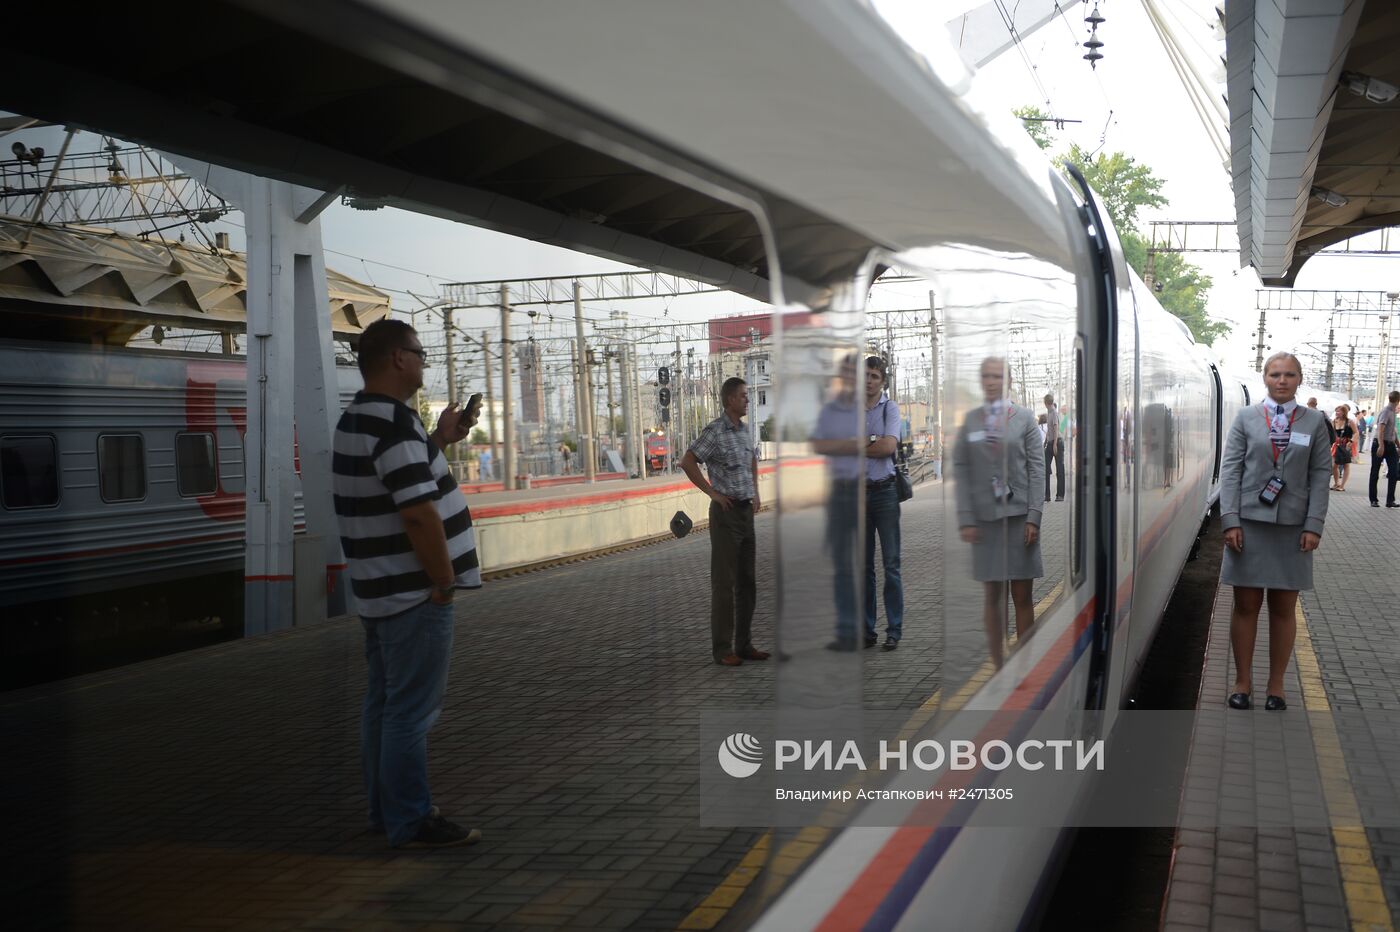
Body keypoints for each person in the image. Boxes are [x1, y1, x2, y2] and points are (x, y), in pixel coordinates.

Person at [333, 318, 483, 848]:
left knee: (383, 707)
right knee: (409, 715)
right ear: (398, 358)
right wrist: (442, 582)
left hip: (379, 593)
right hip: (412, 594)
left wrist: (440, 437)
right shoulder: (393, 423)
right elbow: (418, 513)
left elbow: (401, 478)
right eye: (419, 353)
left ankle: (386, 812)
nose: (423, 362)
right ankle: (411, 820)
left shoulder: (361, 418)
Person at [1219, 352, 1331, 712]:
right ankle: (1242, 682)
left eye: (1289, 375)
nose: (1282, 380)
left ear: (1299, 379)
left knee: (1284, 609)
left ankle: (1277, 686)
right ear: (1264, 378)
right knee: (1245, 605)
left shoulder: (1314, 422)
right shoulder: (1246, 418)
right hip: (1249, 526)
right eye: (1275, 374)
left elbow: (1320, 476)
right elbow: (1231, 470)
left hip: (1293, 529)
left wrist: (1314, 525)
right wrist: (1230, 520)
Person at [954, 357, 1045, 668]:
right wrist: (966, 518)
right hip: (986, 523)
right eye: (986, 376)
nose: (991, 381)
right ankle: (999, 667)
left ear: (1007, 380)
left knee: (1021, 596)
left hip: (1020, 521)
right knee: (992, 599)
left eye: (997, 376)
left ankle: (1025, 666)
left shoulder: (1025, 419)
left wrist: (1034, 516)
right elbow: (962, 470)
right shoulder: (971, 421)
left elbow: (1037, 469)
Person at [811, 356, 905, 650]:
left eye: (875, 376)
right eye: (865, 375)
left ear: (883, 381)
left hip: (886, 492)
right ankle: (867, 631)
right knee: (864, 567)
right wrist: (870, 441)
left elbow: (889, 446)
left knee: (891, 565)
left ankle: (894, 630)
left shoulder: (890, 408)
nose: (869, 380)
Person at [680, 377, 771, 665]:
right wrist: (712, 493)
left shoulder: (745, 431)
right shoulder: (715, 431)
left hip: (746, 513)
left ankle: (744, 645)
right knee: (724, 584)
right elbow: (688, 461)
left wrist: (755, 491)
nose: (747, 400)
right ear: (730, 399)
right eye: (744, 396)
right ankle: (723, 650)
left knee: (748, 583)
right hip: (726, 514)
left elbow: (752, 459)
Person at [1369, 391, 1400, 508]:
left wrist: (1398, 445)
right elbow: (1381, 430)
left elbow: (1393, 432)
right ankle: (1373, 500)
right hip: (1380, 444)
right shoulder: (1386, 412)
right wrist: (1381, 445)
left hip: (1390, 445)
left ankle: (1390, 500)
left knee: (1393, 472)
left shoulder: (1393, 413)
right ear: (1398, 400)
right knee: (1375, 471)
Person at [1043, 393, 1065, 502]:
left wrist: (1055, 444)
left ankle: (1060, 495)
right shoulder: (1049, 413)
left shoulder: (1054, 413)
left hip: (1057, 443)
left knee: (1060, 469)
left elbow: (1056, 429)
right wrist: (1046, 442)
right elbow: (1050, 430)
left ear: (1046, 403)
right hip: (1051, 442)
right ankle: (1046, 495)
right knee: (1045, 467)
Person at [1331, 405, 1356, 491]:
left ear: (1344, 412)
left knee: (1346, 464)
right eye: (1336, 411)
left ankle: (1342, 485)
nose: (1337, 413)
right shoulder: (1334, 421)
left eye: (1339, 411)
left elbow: (1356, 433)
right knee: (1334, 465)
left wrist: (1351, 441)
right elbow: (1331, 433)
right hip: (1336, 445)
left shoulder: (1349, 422)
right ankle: (1336, 482)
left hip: (1346, 444)